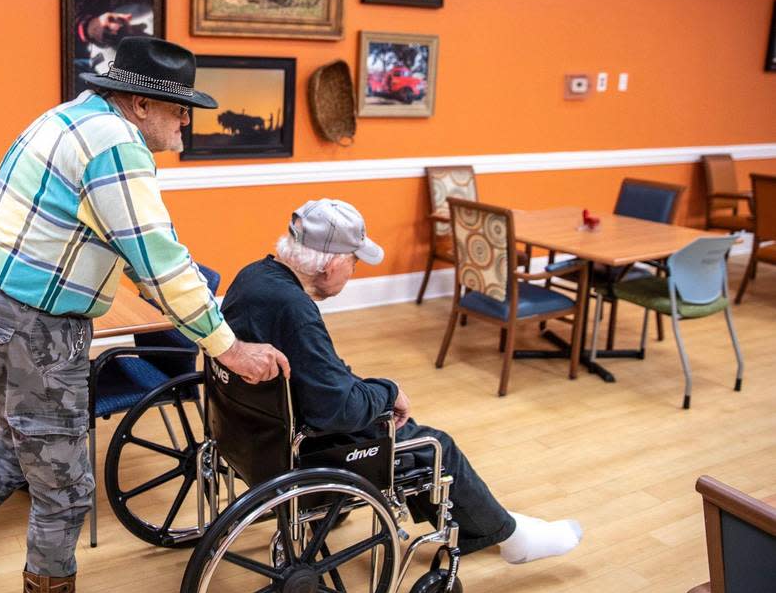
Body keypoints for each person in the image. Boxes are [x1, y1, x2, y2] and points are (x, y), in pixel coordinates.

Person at [0, 37, 290, 593]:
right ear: (140, 104)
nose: (186, 120)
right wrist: (228, 348)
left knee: (18, 448)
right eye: (178, 107)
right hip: (35, 331)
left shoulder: (69, 119)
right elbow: (158, 260)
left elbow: (136, 254)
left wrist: (179, 296)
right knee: (65, 493)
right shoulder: (116, 146)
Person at [220, 198, 583, 562]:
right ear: (331, 266)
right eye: (354, 261)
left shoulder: (253, 276)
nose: (355, 270)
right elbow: (337, 410)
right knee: (434, 446)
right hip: (307, 443)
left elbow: (315, 371)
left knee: (376, 404)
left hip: (248, 432)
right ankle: (512, 539)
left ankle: (496, 520)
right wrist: (388, 391)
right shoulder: (295, 309)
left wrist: (364, 386)